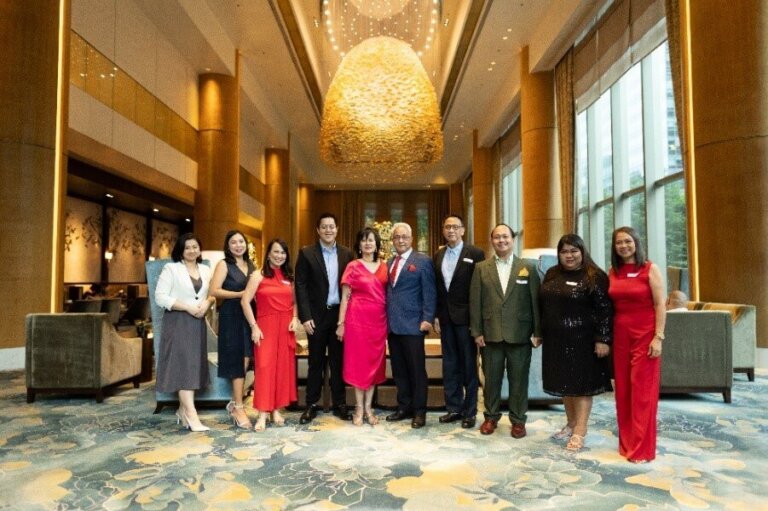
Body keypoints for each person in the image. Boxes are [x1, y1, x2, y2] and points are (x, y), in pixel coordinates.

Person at [539, 234, 613, 451]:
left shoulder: (594, 275)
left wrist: (603, 339)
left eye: (573, 251)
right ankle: (571, 424)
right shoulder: (552, 273)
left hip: (584, 341)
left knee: (581, 386)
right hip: (556, 340)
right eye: (564, 251)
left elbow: (605, 310)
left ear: (582, 251)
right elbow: (544, 304)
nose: (569, 256)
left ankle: (581, 430)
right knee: (565, 384)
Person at [469, 224, 541, 438]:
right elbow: (475, 302)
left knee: (520, 380)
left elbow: (536, 301)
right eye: (497, 237)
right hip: (490, 334)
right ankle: (491, 417)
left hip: (520, 334)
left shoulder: (527, 266)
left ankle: (518, 420)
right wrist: (477, 331)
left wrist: (538, 331)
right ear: (492, 241)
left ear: (513, 239)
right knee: (491, 380)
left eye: (505, 237)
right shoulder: (481, 268)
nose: (502, 240)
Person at [608, 226, 667, 463]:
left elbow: (660, 305)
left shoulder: (650, 269)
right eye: (619, 243)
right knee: (623, 390)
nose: (623, 246)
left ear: (636, 242)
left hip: (645, 334)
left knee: (642, 391)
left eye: (627, 241)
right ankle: (626, 443)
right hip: (620, 335)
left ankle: (642, 449)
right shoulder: (613, 271)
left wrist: (658, 336)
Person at [295, 213, 354, 424]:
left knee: (339, 363)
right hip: (316, 317)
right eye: (324, 227)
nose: (328, 230)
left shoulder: (348, 254)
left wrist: (346, 319)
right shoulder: (307, 253)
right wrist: (305, 316)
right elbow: (300, 286)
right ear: (318, 230)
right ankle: (311, 404)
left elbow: (352, 288)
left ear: (337, 229)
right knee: (315, 362)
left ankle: (340, 404)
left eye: (332, 226)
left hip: (339, 315)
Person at [155, 233, 215, 432]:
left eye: (195, 247)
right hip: (178, 321)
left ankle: (182, 410)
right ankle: (191, 414)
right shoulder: (171, 268)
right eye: (187, 247)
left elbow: (213, 293)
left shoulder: (206, 269)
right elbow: (160, 297)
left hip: (198, 322)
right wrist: (187, 308)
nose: (192, 250)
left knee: (193, 365)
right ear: (181, 250)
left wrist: (206, 303)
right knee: (184, 366)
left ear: (200, 249)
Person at [241, 239, 299, 432]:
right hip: (265, 326)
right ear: (268, 253)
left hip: (285, 327)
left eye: (283, 253)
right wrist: (254, 326)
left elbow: (294, 302)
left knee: (282, 369)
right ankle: (262, 414)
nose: (279, 256)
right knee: (265, 368)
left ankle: (275, 410)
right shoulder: (257, 275)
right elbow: (245, 301)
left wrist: (295, 317)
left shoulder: (289, 277)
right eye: (276, 252)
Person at [433, 214, 485, 429]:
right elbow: (437, 288)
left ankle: (470, 411)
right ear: (443, 231)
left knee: (468, 366)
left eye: (455, 227)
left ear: (463, 230)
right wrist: (436, 315)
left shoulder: (475, 254)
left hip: (467, 320)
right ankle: (453, 408)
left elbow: (481, 289)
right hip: (445, 319)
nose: (451, 230)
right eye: (447, 227)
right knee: (450, 365)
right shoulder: (438, 255)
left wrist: (478, 322)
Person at [385, 222, 437, 429]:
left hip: (414, 325)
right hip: (393, 325)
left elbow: (430, 292)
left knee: (416, 370)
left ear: (411, 238)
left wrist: (428, 318)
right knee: (399, 370)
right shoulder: (389, 262)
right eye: (396, 237)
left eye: (404, 236)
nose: (400, 240)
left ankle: (419, 411)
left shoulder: (422, 261)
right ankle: (403, 406)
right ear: (392, 240)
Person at [336, 227, 388, 426]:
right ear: (359, 244)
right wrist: (341, 323)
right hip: (357, 320)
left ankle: (369, 407)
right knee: (359, 364)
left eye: (371, 240)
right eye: (364, 240)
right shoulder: (353, 266)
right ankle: (359, 407)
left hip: (378, 321)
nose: (368, 244)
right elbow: (345, 297)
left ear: (377, 244)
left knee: (374, 364)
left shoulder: (384, 267)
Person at [209, 230, 255, 429]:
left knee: (246, 357)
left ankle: (235, 402)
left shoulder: (250, 265)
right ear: (228, 246)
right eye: (234, 242)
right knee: (238, 359)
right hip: (231, 315)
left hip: (248, 315)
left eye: (241, 241)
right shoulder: (224, 264)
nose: (238, 245)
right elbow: (214, 291)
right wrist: (240, 293)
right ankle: (238, 406)